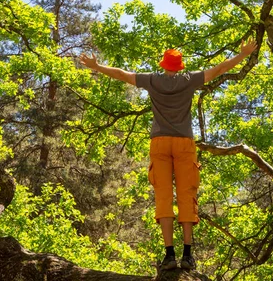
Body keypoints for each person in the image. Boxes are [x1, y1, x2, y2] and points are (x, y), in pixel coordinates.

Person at [79, 39, 257, 271]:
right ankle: (188, 255)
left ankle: (169, 255)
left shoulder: (152, 80)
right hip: (184, 144)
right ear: (180, 66)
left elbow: (123, 74)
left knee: (164, 197)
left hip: (160, 143)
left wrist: (97, 67)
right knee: (186, 195)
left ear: (163, 65)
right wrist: (242, 55)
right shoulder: (189, 80)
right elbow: (220, 69)